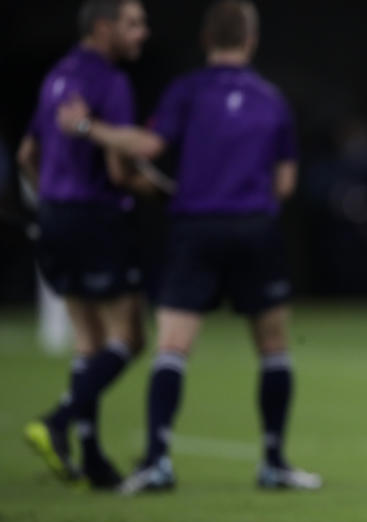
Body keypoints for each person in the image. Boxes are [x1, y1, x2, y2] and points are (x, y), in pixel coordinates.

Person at [57, 0, 320, 493]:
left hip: (194, 228)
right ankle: (273, 461)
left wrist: (88, 128)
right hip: (254, 229)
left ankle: (157, 459)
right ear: (251, 40)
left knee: (173, 347)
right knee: (273, 348)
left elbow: (148, 147)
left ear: (206, 41)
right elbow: (285, 183)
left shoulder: (186, 91)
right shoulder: (271, 98)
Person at [18, 0, 150, 489]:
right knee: (129, 337)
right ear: (103, 27)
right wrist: (145, 187)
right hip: (96, 218)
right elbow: (118, 168)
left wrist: (53, 197)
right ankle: (57, 421)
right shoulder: (109, 81)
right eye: (133, 24)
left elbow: (27, 154)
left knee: (88, 341)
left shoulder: (58, 75)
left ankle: (93, 459)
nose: (142, 33)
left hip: (54, 216)